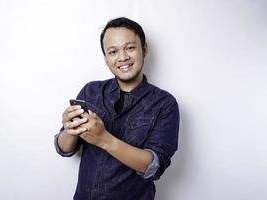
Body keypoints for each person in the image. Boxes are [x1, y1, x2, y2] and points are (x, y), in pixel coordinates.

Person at [54, 17, 180, 200]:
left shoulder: (165, 103)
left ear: (144, 49)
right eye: (113, 51)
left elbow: (154, 166)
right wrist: (70, 130)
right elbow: (63, 148)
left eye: (130, 48)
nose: (122, 58)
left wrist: (104, 139)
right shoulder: (91, 91)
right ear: (106, 59)